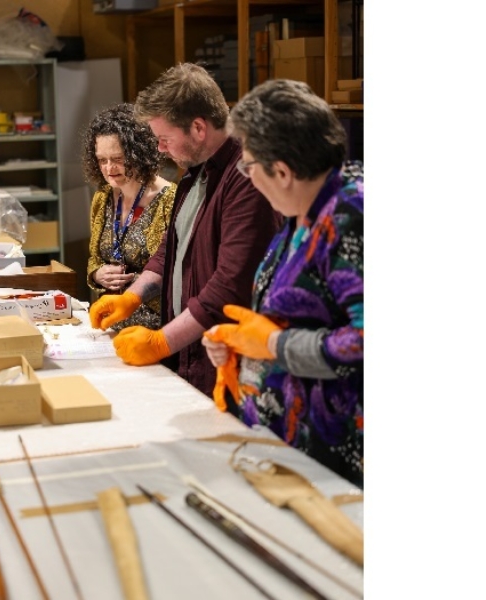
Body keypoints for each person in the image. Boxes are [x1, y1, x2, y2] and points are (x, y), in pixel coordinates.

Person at [201, 79, 364, 488]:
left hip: (338, 461)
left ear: (283, 171)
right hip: (287, 443)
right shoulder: (301, 211)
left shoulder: (352, 217)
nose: (247, 175)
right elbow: (294, 315)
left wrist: (273, 346)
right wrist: (242, 346)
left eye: (249, 165)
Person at [89, 63, 281, 397]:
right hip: (189, 355)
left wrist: (163, 340)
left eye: (164, 139)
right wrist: (132, 297)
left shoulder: (245, 179)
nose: (160, 149)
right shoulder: (193, 172)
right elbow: (170, 251)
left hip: (224, 361)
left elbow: (230, 284)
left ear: (198, 128)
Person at [82, 103, 177, 331]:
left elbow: (173, 271)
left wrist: (134, 286)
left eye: (118, 158)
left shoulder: (169, 200)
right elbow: (94, 258)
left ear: (139, 153)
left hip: (153, 329)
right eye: (101, 160)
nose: (109, 168)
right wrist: (97, 274)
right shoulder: (103, 197)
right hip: (109, 323)